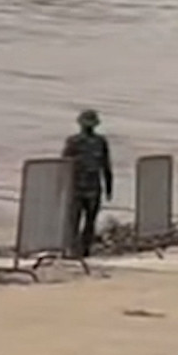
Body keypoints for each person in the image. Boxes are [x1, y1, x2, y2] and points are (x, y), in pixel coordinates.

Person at [61, 109, 113, 259]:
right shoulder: (73, 142)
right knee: (74, 221)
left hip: (93, 188)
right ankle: (72, 249)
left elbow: (106, 165)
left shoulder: (100, 142)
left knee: (90, 221)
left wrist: (109, 187)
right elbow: (64, 165)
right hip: (76, 188)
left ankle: (84, 250)